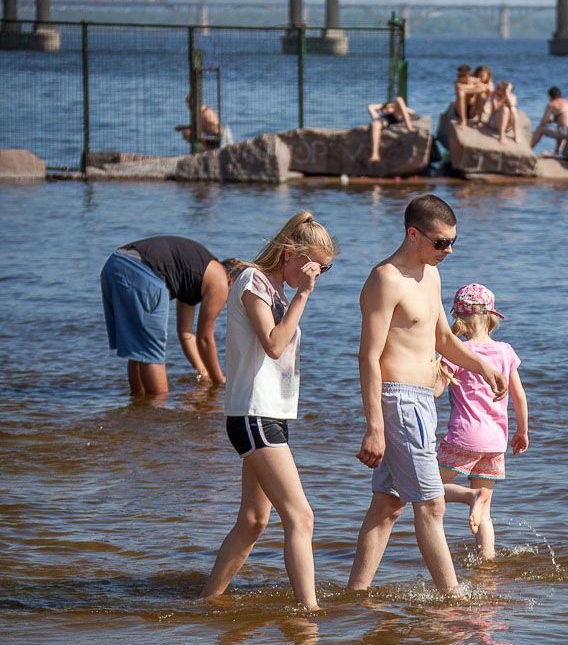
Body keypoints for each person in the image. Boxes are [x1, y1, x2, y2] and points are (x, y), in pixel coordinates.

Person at [347, 195, 507, 594]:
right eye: (440, 243)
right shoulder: (385, 279)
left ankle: (356, 595)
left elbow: (443, 339)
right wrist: (374, 427)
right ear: (413, 234)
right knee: (432, 504)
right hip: (398, 401)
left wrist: (482, 366)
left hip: (422, 403)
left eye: (453, 242)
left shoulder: (430, 276)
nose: (448, 251)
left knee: (387, 506)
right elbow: (368, 357)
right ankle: (454, 599)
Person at [200, 211, 339, 611]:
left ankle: (207, 602)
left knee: (254, 520)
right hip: (253, 414)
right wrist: (304, 294)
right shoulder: (253, 280)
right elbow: (274, 344)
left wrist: (298, 290)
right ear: (290, 253)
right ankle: (308, 614)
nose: (316, 275)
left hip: (270, 415)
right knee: (302, 517)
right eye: (313, 265)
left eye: (324, 271)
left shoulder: (276, 287)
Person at [435, 283, 529, 560]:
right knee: (485, 515)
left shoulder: (456, 353)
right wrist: (522, 432)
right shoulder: (505, 351)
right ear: (491, 317)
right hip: (495, 441)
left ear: (457, 318)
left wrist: (430, 362)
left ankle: (467, 497)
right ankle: (487, 564)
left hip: (464, 436)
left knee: (424, 489)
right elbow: (519, 397)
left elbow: (436, 391)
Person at [100, 235, 231, 396]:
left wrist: (202, 371)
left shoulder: (196, 275)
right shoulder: (222, 281)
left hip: (116, 263)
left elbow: (186, 334)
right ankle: (158, 411)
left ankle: (138, 408)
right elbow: (205, 338)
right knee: (152, 355)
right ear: (232, 281)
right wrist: (219, 380)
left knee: (137, 351)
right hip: (141, 269)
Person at [530, 86, 568, 156]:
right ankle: (557, 151)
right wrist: (553, 120)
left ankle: (528, 149)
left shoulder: (552, 104)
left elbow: (543, 122)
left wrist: (548, 121)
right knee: (560, 127)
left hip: (564, 131)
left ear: (550, 97)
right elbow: (564, 118)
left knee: (540, 129)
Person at [367, 95, 418, 164]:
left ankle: (409, 127)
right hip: (385, 121)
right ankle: (375, 154)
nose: (388, 108)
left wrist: (394, 106)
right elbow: (370, 107)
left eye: (391, 106)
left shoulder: (398, 112)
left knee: (399, 98)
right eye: (385, 108)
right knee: (376, 124)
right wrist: (385, 106)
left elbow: (413, 113)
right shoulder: (382, 117)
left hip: (397, 116)